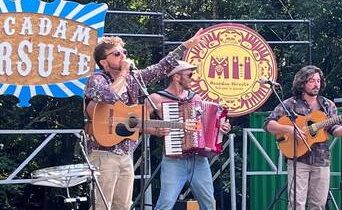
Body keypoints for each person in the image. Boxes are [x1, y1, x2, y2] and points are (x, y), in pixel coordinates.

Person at [84, 30, 203, 210]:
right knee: (101, 206)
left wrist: (185, 45)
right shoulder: (97, 79)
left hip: (125, 153)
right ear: (103, 62)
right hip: (102, 153)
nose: (123, 56)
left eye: (124, 53)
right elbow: (109, 96)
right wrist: (124, 72)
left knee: (123, 206)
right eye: (116, 54)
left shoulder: (133, 80)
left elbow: (161, 67)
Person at [263, 65, 342, 210]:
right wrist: (290, 129)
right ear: (302, 83)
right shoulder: (290, 104)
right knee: (296, 204)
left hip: (322, 160)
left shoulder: (327, 105)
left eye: (318, 81)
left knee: (318, 204)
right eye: (312, 81)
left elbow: (335, 131)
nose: (316, 84)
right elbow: (268, 124)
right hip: (298, 160)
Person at [145, 60, 231, 210]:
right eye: (190, 75)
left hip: (199, 160)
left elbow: (203, 126)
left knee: (209, 203)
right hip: (174, 159)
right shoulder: (156, 98)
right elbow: (138, 123)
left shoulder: (195, 98)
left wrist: (221, 127)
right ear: (176, 77)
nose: (193, 78)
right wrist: (156, 131)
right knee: (165, 203)